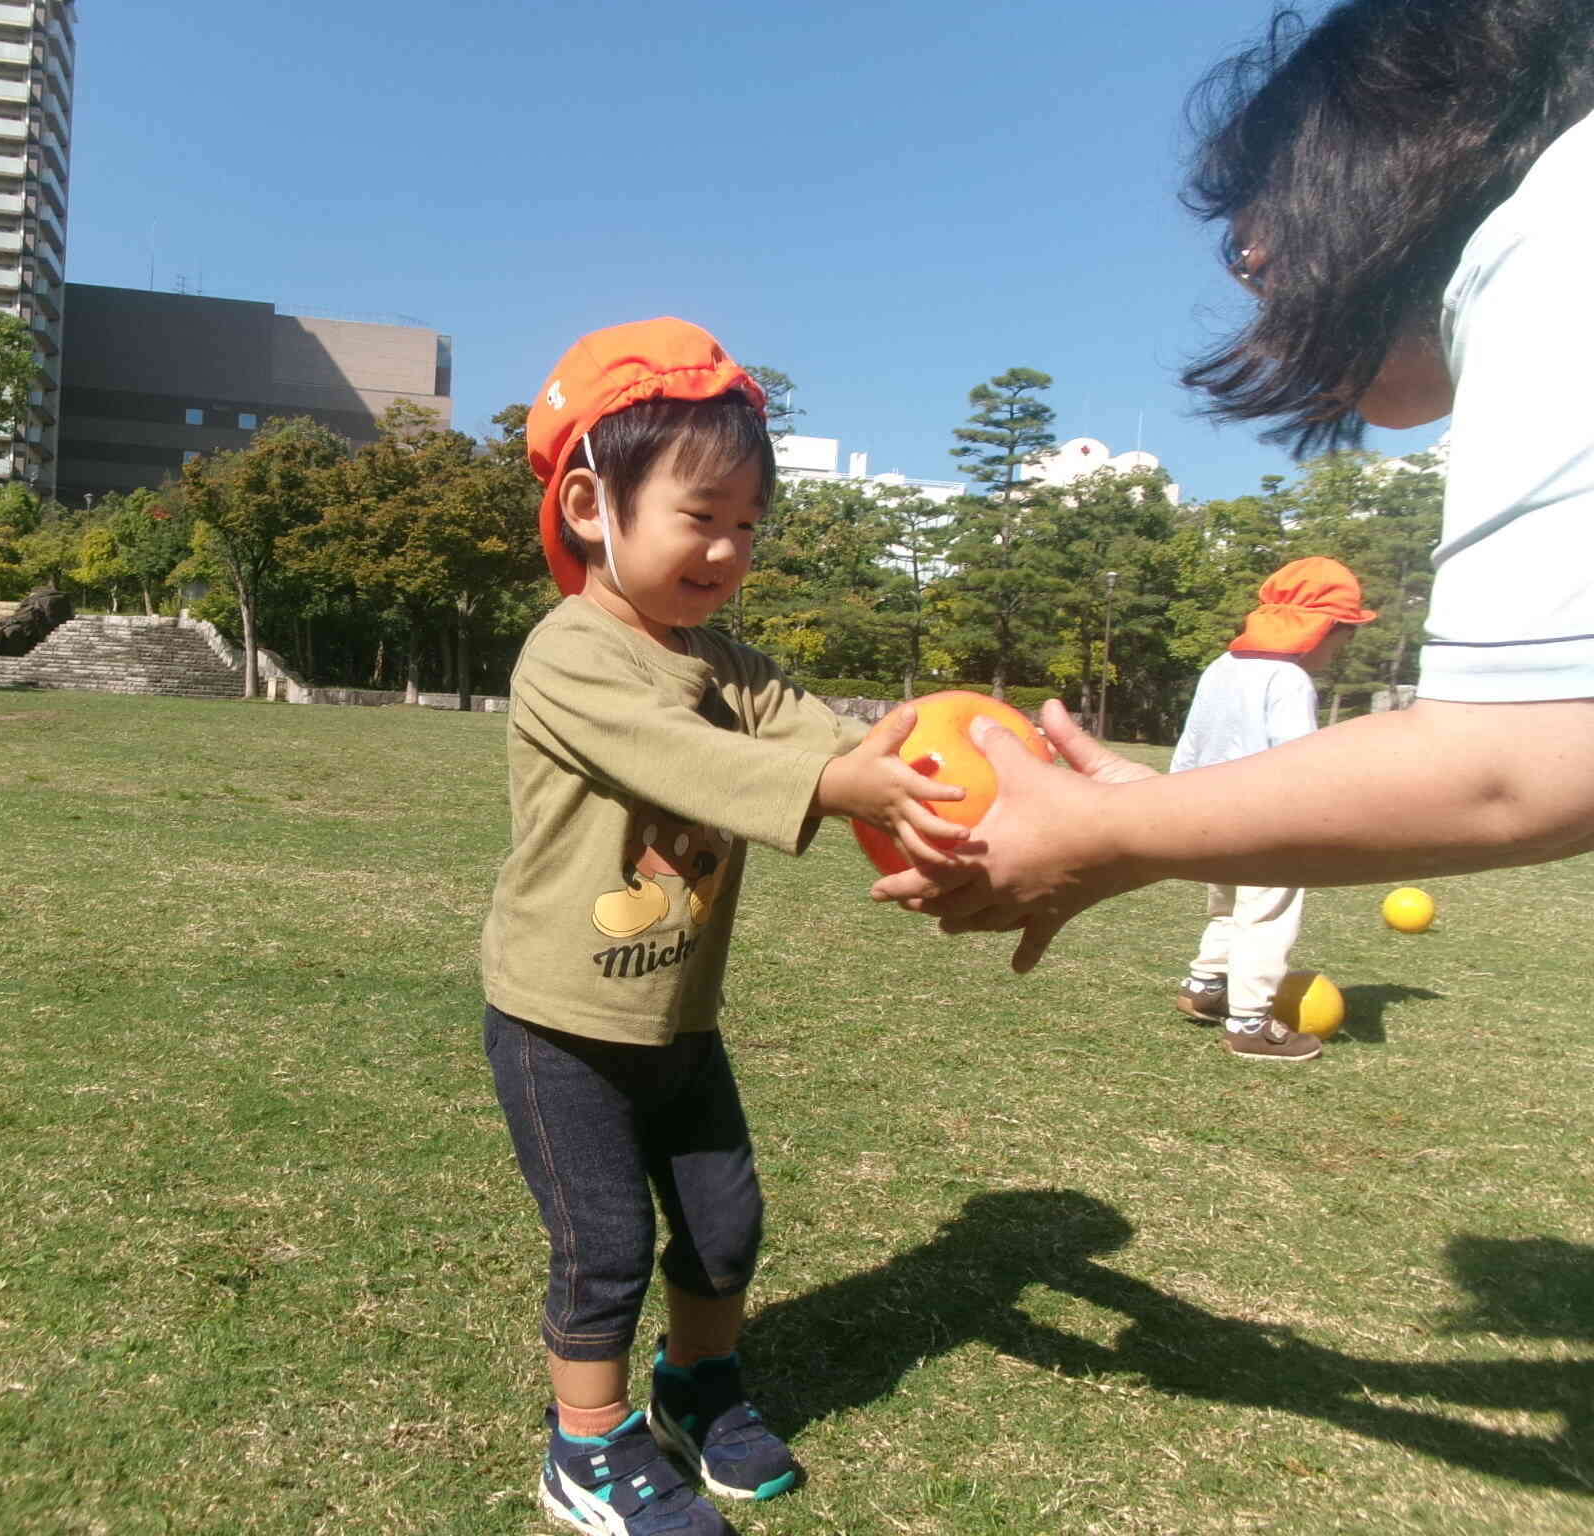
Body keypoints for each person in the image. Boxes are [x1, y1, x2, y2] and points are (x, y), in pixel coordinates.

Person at [871, 0, 1594, 969]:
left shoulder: (1554, 237)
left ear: (1354, 167)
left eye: (1249, 239)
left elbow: (1527, 760)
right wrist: (1135, 820)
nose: (1248, 272)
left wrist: (1110, 832)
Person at [481, 318, 965, 1534]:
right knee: (603, 1244)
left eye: (747, 524)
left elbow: (809, 731)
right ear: (592, 504)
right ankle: (581, 1452)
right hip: (560, 1022)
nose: (727, 547)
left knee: (721, 1221)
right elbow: (681, 758)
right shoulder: (567, 655)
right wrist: (827, 787)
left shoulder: (724, 659)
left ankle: (696, 1388)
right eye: (701, 514)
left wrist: (902, 761)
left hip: (674, 1013)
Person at [1170, 557, 1376, 1061]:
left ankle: (1205, 987)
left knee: (1225, 906)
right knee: (1266, 914)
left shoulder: (1222, 666)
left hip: (1206, 811)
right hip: (1264, 822)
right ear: (1322, 627)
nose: (1344, 647)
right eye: (1344, 634)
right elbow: (1298, 762)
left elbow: (1190, 745)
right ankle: (1249, 1025)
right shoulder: (1288, 680)